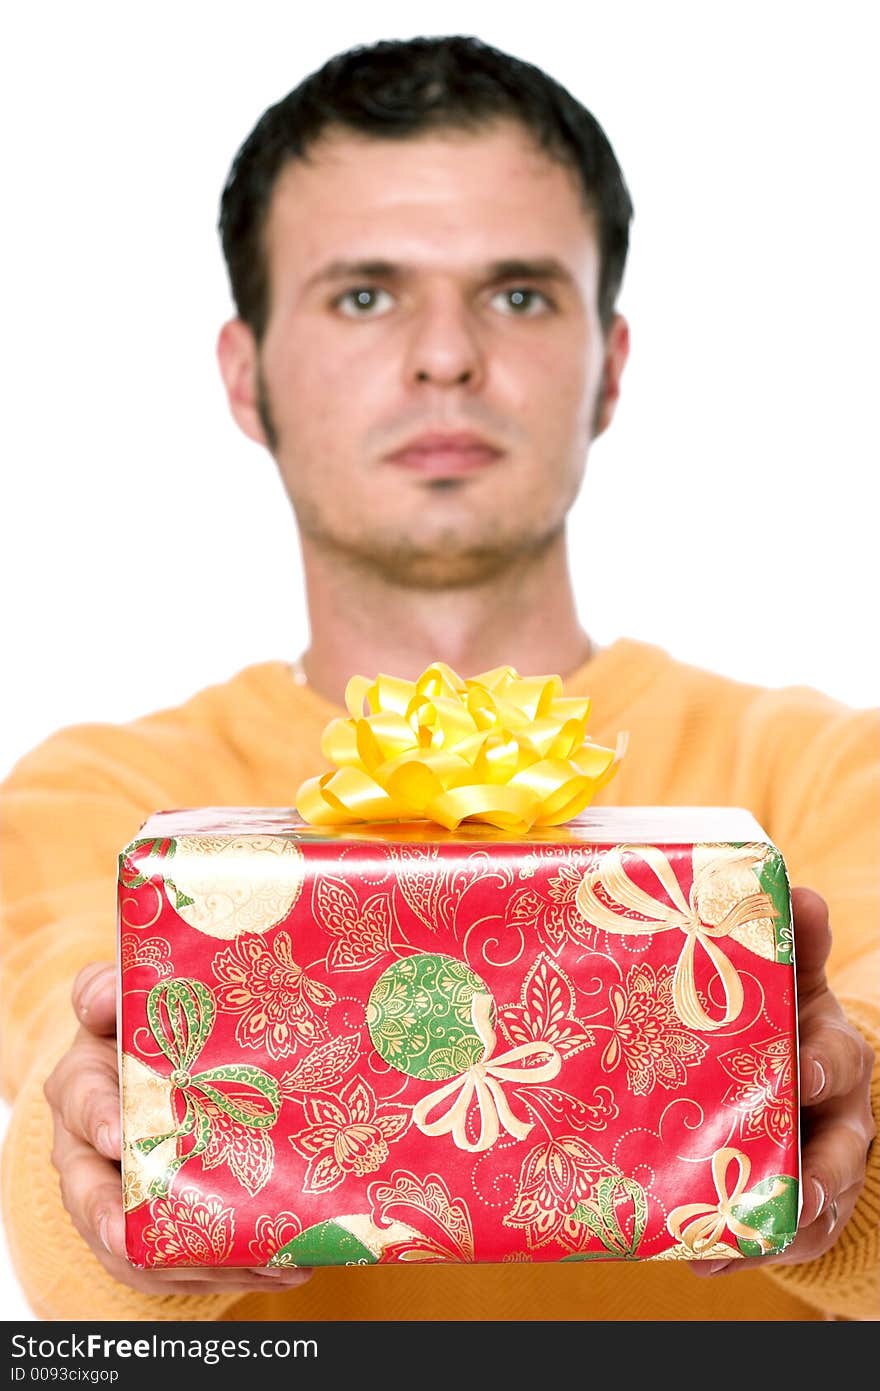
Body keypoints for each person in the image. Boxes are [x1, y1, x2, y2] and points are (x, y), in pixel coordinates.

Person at [1, 34, 876, 1323]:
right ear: (245, 376)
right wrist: (116, 1201)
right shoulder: (95, 795)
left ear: (611, 366)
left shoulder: (827, 770)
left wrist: (848, 1158)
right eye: (366, 297)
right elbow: (50, 1127)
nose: (447, 357)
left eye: (518, 295)